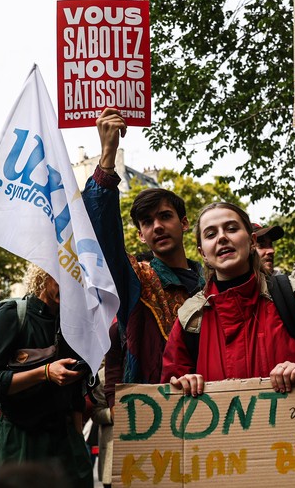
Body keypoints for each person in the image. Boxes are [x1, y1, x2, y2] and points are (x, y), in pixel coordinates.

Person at [161, 202, 295, 395]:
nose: (222, 237)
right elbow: (167, 392)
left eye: (231, 229)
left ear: (251, 242)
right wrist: (183, 385)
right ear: (203, 254)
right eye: (210, 234)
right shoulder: (190, 319)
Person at [83, 108, 204, 385]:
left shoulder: (211, 283)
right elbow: (100, 240)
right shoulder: (136, 281)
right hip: (154, 417)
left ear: (184, 223)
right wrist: (107, 157)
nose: (157, 227)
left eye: (165, 216)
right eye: (147, 222)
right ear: (140, 236)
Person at [0, 264, 92, 488]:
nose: (68, 287)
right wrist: (45, 373)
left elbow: (76, 391)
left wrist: (77, 441)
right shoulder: (13, 314)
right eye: (61, 277)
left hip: (65, 443)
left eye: (75, 281)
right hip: (20, 442)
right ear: (43, 273)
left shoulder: (74, 323)